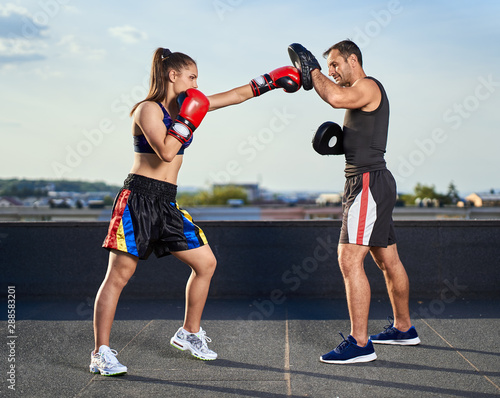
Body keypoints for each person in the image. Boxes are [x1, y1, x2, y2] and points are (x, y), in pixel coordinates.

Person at [89, 47, 300, 376]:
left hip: (167, 202)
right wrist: (189, 119)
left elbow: (234, 95)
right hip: (139, 199)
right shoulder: (147, 110)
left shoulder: (189, 106)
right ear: (173, 76)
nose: (196, 83)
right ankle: (101, 352)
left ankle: (188, 333)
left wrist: (272, 80)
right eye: (191, 77)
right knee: (118, 276)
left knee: (206, 263)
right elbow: (166, 151)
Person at [292, 40, 420, 364]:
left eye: (335, 65)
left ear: (353, 59)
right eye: (328, 67)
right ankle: (404, 328)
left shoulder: (367, 85)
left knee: (348, 260)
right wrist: (341, 146)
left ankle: (360, 343)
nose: (332, 72)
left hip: (367, 183)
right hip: (372, 181)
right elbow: (362, 133)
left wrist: (313, 72)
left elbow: (334, 97)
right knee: (387, 260)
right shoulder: (360, 95)